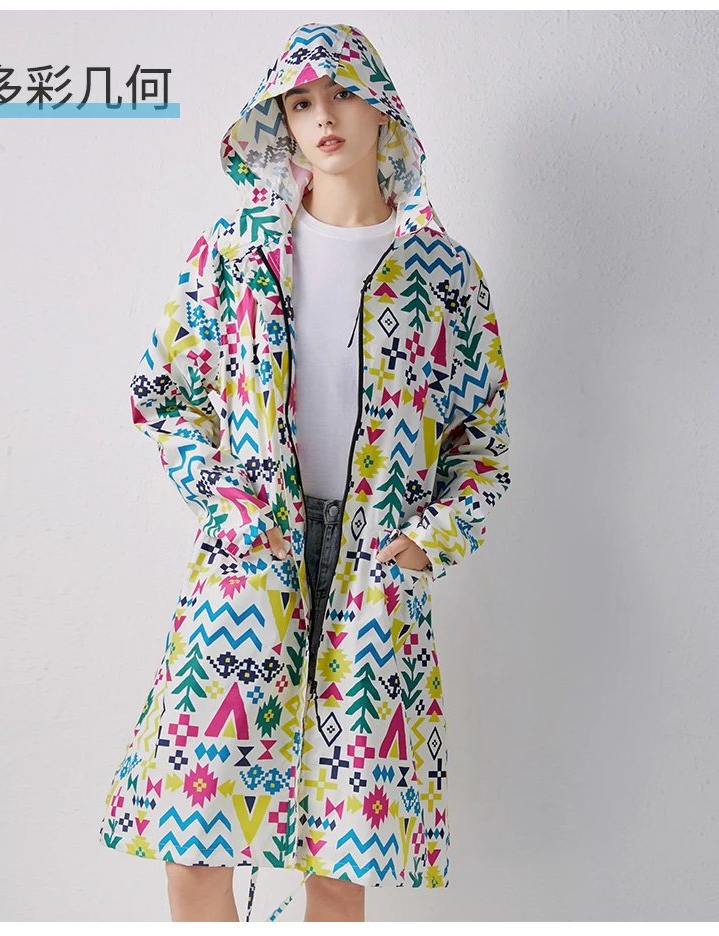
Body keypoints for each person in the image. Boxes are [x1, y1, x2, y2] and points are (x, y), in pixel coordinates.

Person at [98, 21, 512, 924]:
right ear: (280, 120)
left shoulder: (443, 273)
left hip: (374, 573)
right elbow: (162, 392)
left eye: (342, 94)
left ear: (382, 107)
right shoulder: (235, 251)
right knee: (193, 844)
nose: (323, 116)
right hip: (251, 562)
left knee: (337, 863)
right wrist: (225, 502)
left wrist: (425, 544)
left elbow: (484, 445)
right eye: (300, 102)